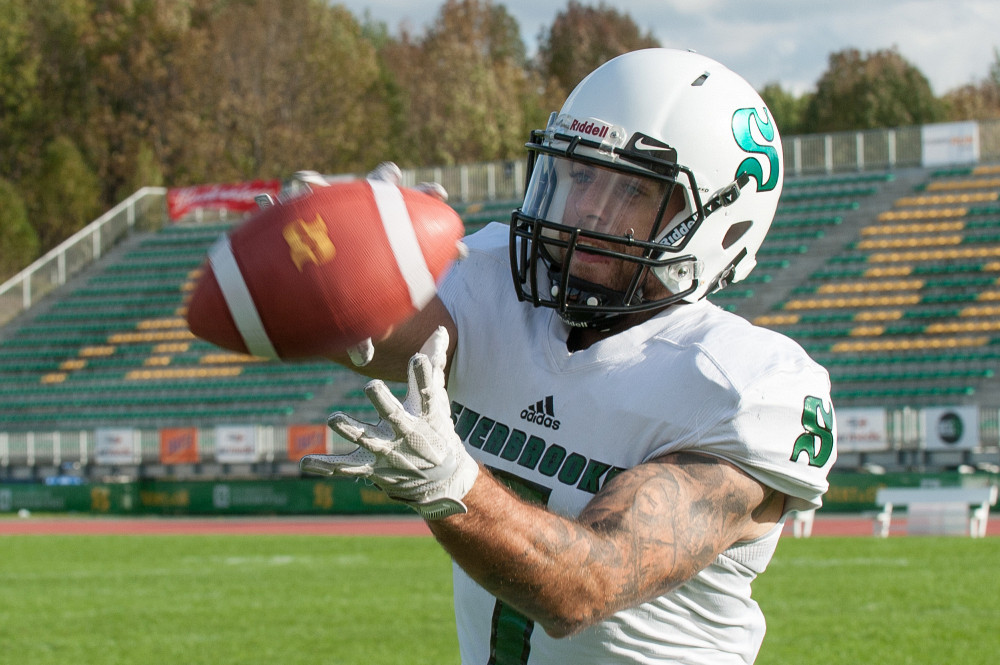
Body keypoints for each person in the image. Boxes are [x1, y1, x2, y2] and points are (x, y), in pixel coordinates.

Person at [301, 48, 837, 665]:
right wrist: (337, 277)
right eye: (579, 176)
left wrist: (451, 485)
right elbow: (390, 336)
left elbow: (588, 585)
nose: (588, 210)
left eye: (634, 190)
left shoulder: (742, 385)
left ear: (724, 226)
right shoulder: (501, 277)